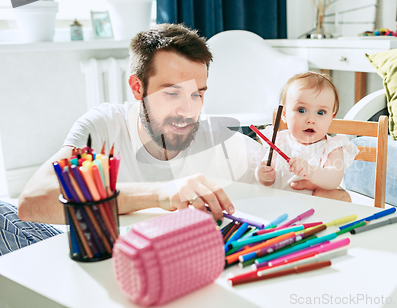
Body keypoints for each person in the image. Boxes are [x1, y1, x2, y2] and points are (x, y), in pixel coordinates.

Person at [0, 24, 340, 256]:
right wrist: (161, 194)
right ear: (137, 88)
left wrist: (331, 188)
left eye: (198, 95)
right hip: (76, 248)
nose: (187, 111)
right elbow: (33, 202)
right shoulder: (102, 125)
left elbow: (308, 187)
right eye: (172, 93)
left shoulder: (215, 137)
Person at [256, 72, 358, 199]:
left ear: (331, 118)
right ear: (284, 115)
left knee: (337, 198)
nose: (311, 119)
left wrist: (311, 171)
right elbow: (266, 179)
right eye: (301, 110)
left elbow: (334, 179)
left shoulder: (333, 147)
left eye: (321, 112)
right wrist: (263, 175)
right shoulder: (279, 141)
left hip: (314, 210)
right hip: (279, 205)